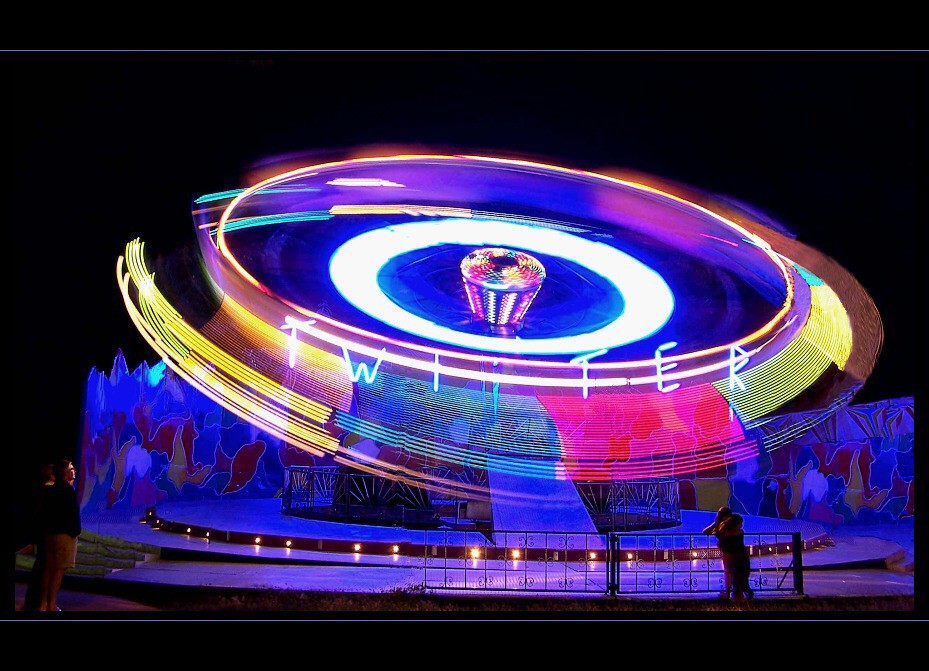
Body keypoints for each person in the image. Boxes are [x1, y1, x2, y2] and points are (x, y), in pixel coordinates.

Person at [38, 460, 81, 612]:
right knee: (58, 570)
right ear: (64, 472)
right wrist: (75, 532)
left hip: (50, 534)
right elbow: (73, 514)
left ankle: (43, 604)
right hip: (65, 535)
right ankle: (51, 605)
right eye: (71, 468)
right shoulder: (68, 491)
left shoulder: (50, 490)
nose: (73, 471)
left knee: (48, 570)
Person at [703, 506, 753, 602]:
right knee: (737, 574)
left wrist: (716, 524)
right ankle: (737, 595)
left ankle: (730, 594)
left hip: (728, 553)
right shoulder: (732, 527)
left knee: (730, 573)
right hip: (736, 553)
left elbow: (705, 532)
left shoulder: (722, 528)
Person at [23, 464, 56, 611]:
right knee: (43, 568)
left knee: (41, 566)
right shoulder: (48, 490)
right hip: (47, 533)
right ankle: (38, 602)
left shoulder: (42, 489)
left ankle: (34, 602)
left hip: (43, 532)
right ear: (52, 476)